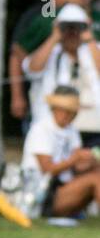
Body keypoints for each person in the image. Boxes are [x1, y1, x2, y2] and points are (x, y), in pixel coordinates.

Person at [10, 0, 97, 130]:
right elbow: (19, 53)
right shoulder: (45, 17)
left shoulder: (96, 17)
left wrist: (88, 39)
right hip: (49, 103)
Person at [23, 2, 100, 143]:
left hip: (94, 126)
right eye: (67, 27)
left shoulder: (93, 49)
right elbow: (31, 69)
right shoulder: (51, 51)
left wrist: (89, 36)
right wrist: (54, 36)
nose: (72, 32)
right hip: (56, 127)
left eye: (77, 27)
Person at [20, 86, 100, 220]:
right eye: (65, 111)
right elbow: (48, 169)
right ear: (54, 108)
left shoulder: (72, 131)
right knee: (95, 179)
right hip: (42, 194)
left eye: (73, 112)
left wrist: (90, 160)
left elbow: (77, 167)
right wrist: (75, 158)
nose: (69, 115)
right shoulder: (41, 129)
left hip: (62, 187)